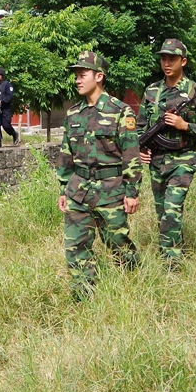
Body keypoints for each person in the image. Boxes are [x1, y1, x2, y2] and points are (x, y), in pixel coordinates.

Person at [56, 51, 141, 298]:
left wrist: (132, 192)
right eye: (76, 76)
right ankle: (83, 297)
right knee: (75, 247)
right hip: (78, 191)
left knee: (118, 244)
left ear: (99, 76)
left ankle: (135, 285)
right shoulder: (73, 114)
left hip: (110, 190)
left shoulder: (120, 111)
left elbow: (131, 154)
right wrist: (63, 189)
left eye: (83, 75)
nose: (77, 80)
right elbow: (66, 154)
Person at [137, 38, 196, 264]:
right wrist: (141, 148)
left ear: (183, 61)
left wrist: (185, 126)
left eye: (172, 59)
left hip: (183, 159)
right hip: (157, 161)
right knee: (163, 213)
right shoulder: (152, 91)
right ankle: (171, 249)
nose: (166, 63)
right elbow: (140, 127)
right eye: (163, 58)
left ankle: (171, 262)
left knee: (172, 210)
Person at [0, 67, 19, 148]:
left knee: (6, 125)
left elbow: (9, 96)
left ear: (2, 75)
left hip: (5, 108)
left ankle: (14, 134)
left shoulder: (7, 84)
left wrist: (2, 101)